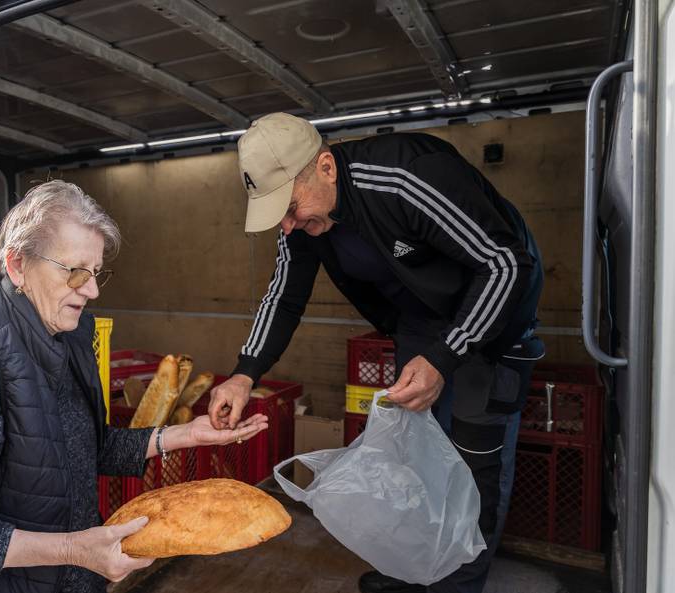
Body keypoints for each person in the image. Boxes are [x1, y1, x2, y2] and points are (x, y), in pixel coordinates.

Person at [0, 180, 267, 593]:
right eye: (76, 272)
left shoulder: (66, 333)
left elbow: (77, 451)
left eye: (97, 271)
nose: (93, 289)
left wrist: (183, 435)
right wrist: (73, 550)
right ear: (17, 264)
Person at [208, 113, 544, 593]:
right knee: (410, 451)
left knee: (475, 468)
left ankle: (457, 585)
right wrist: (245, 373)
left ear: (325, 167)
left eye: (290, 207)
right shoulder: (303, 225)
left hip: (492, 320)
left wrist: (446, 355)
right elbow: (284, 295)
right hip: (419, 325)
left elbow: (505, 264)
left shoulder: (406, 177)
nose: (287, 226)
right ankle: (414, 569)